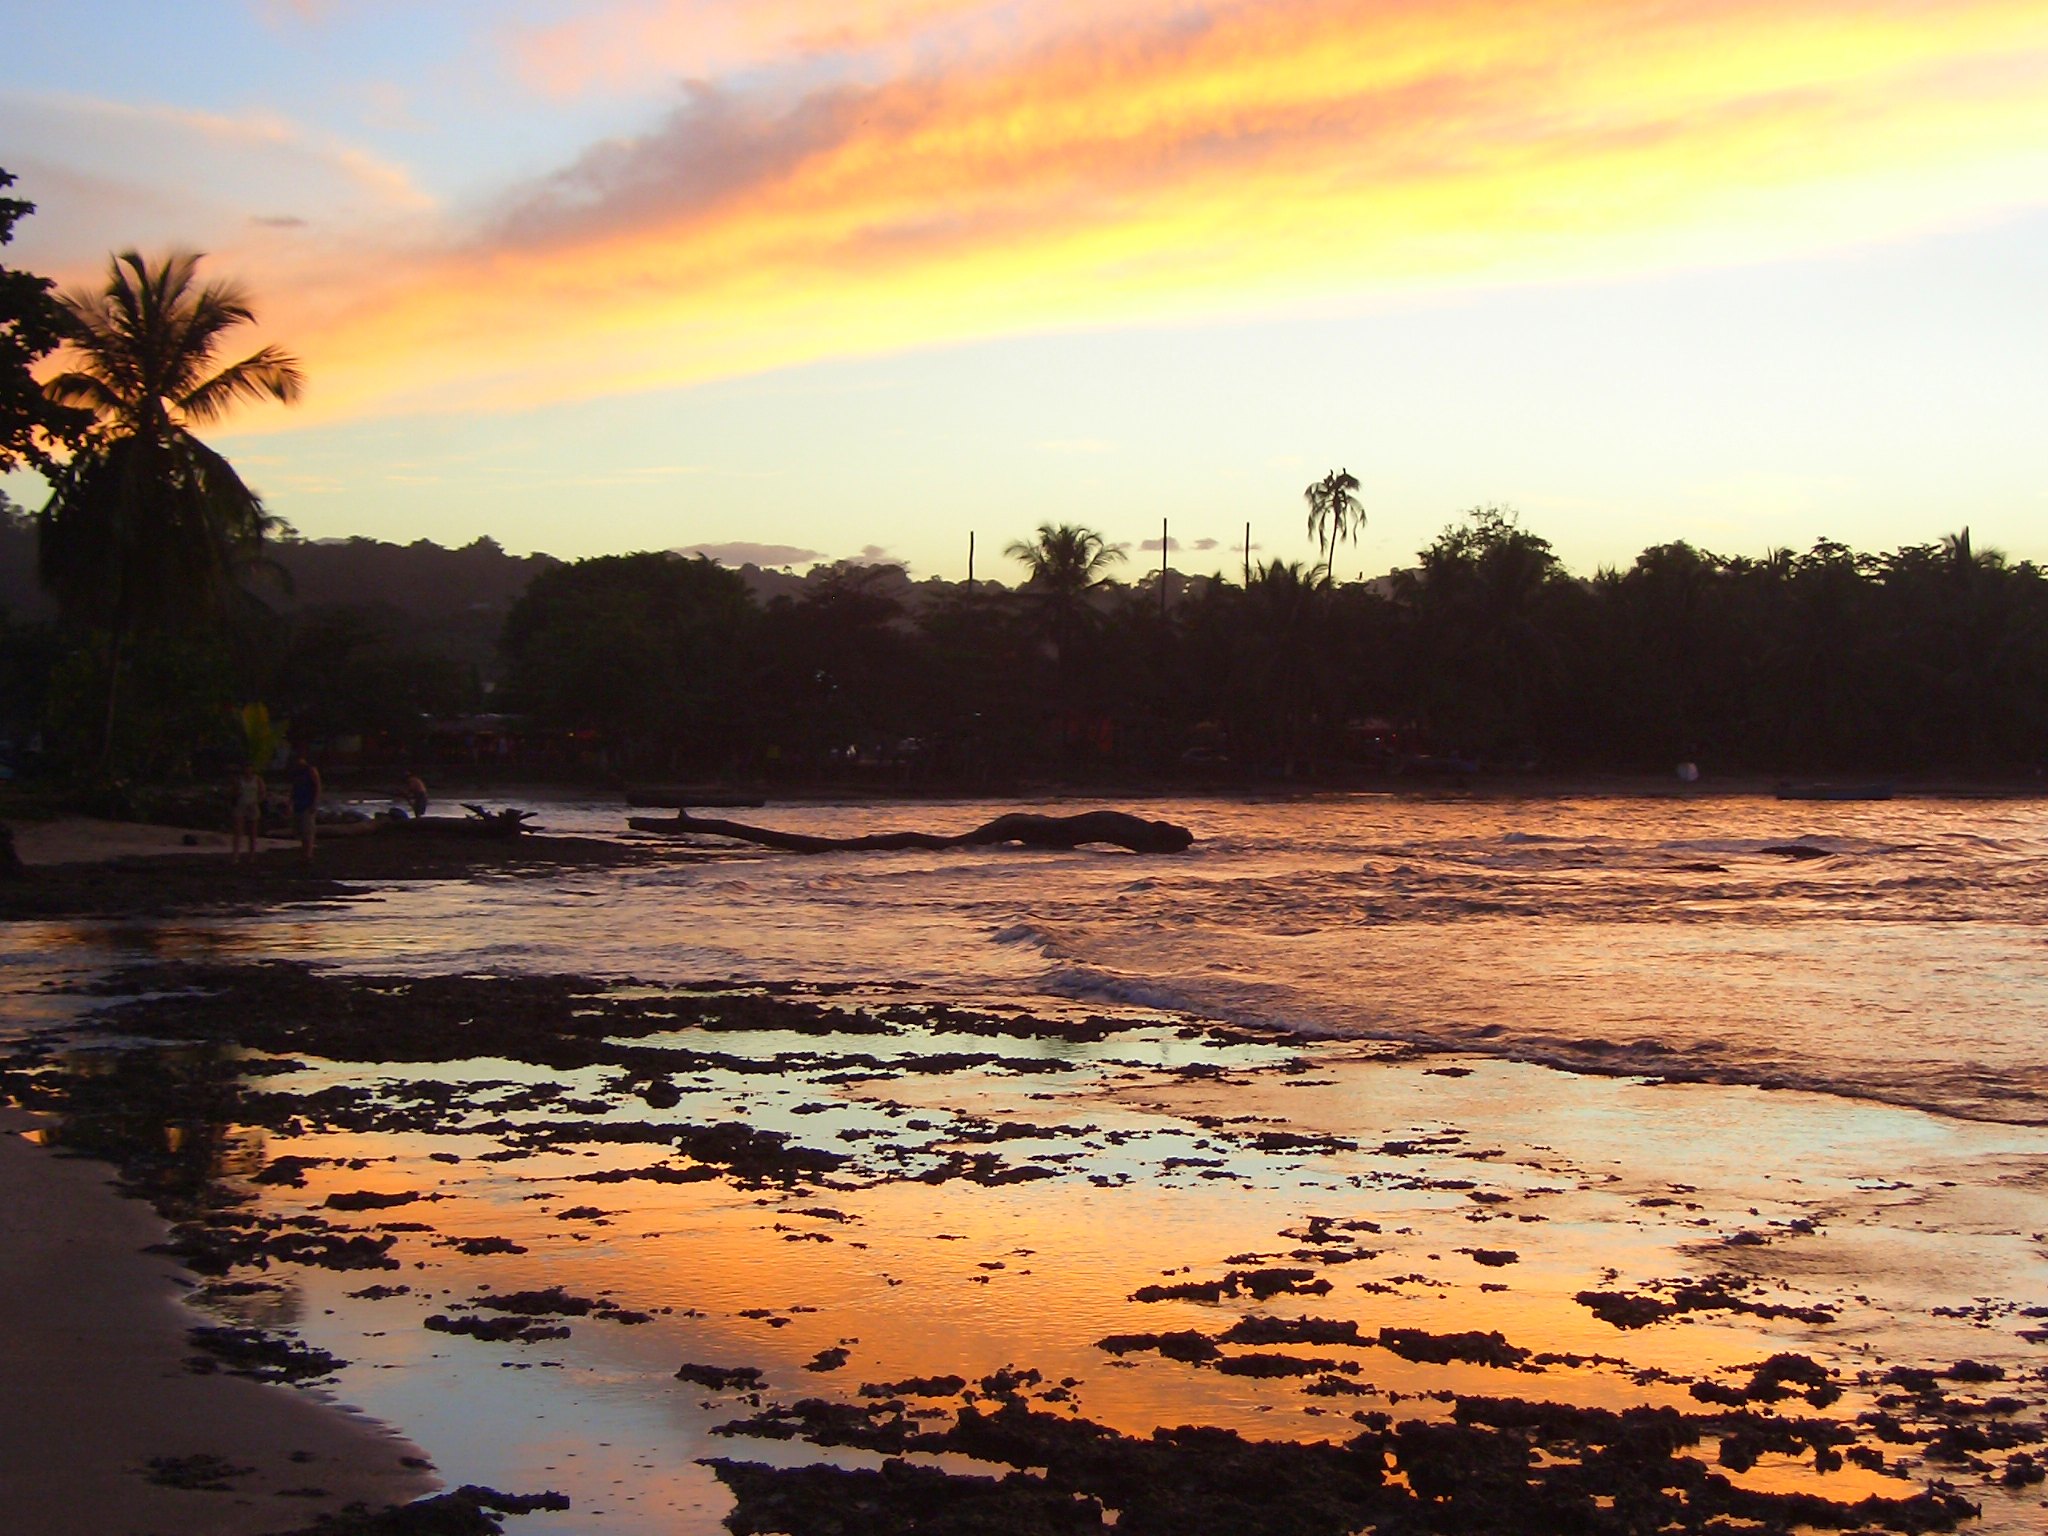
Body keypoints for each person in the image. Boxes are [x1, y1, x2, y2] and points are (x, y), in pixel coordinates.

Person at [288, 751, 322, 864]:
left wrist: (314, 803)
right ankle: (304, 854)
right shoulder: (296, 772)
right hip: (298, 803)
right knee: (300, 831)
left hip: (307, 804)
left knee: (308, 831)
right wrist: (290, 802)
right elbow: (294, 788)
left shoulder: (310, 770)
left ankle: (308, 855)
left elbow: (317, 786)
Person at [230, 763, 264, 861]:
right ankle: (235, 855)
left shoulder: (257, 779)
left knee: (253, 832)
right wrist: (236, 793)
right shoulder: (238, 780)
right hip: (241, 805)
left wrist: (256, 802)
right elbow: (232, 793)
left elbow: (262, 793)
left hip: (252, 805)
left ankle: (251, 855)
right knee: (238, 831)